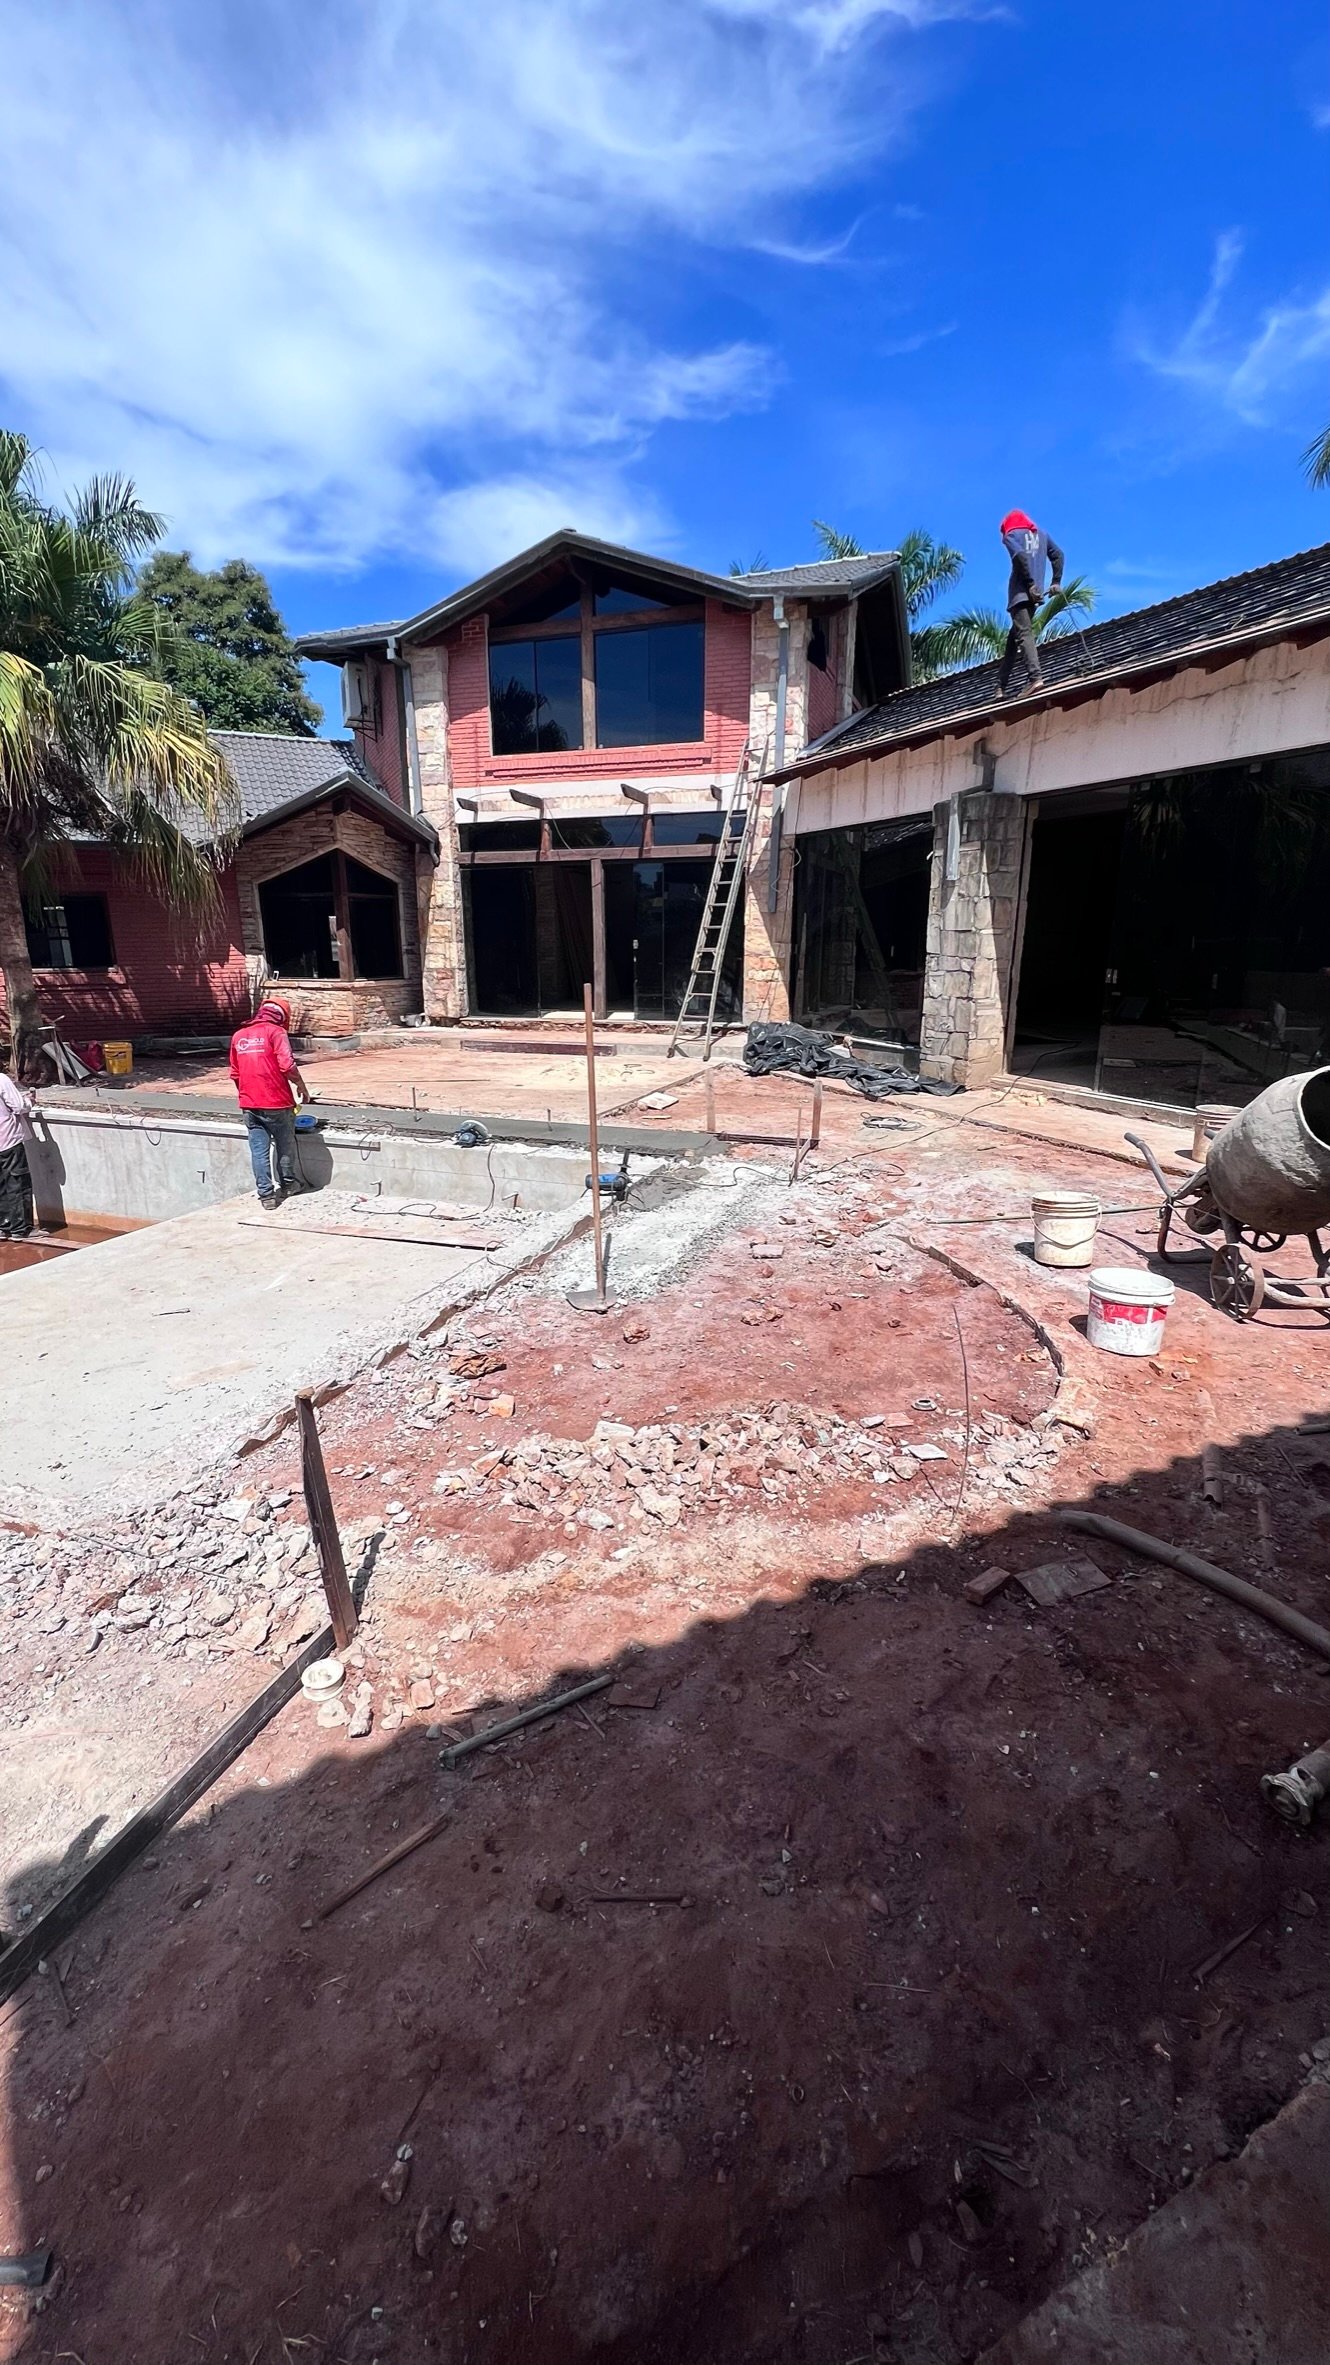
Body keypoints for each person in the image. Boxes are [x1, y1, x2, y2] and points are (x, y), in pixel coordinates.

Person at [228, 995, 312, 1209]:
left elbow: (235, 1074)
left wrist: (248, 1094)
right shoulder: (276, 1032)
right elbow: (287, 1065)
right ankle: (288, 1185)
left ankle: (266, 1196)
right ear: (282, 1016)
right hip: (277, 1102)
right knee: (285, 1145)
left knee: (259, 1150)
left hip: (249, 1104)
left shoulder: (239, 1035)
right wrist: (301, 1086)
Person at [998, 509, 1064, 696]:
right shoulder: (1042, 535)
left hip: (1020, 594)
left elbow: (1020, 556)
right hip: (1034, 596)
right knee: (1014, 637)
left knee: (1024, 634)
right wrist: (1056, 582)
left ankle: (1035, 678)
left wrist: (1029, 584)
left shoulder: (1011, 535)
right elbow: (1058, 555)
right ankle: (1000, 686)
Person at [0, 1063, 37, 1241]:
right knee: (18, 1183)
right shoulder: (1, 1080)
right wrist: (29, 1101)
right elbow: (18, 1106)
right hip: (8, 1140)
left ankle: (3, 1226)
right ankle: (21, 1229)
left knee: (1, 1185)